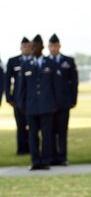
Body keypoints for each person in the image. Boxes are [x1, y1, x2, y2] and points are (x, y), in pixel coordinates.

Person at [17, 34, 60, 170]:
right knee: (33, 133)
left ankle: (46, 160)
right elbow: (21, 88)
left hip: (47, 106)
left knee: (47, 134)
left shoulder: (50, 64)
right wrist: (21, 105)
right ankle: (35, 160)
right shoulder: (26, 65)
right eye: (32, 46)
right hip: (31, 106)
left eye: (37, 46)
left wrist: (55, 104)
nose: (34, 48)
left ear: (42, 47)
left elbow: (56, 87)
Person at [47, 33, 78, 165]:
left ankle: (62, 157)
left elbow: (74, 82)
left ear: (59, 46)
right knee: (50, 132)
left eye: (56, 45)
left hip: (63, 102)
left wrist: (73, 100)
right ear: (48, 47)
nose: (54, 48)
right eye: (51, 46)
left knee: (62, 132)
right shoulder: (45, 62)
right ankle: (52, 157)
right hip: (48, 104)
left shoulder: (68, 61)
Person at [5, 36, 32, 155]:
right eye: (24, 46)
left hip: (32, 100)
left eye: (28, 46)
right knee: (20, 125)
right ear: (21, 47)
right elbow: (7, 81)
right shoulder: (13, 61)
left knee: (33, 126)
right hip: (17, 99)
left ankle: (33, 148)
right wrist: (9, 97)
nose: (26, 48)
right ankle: (22, 149)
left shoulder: (35, 61)